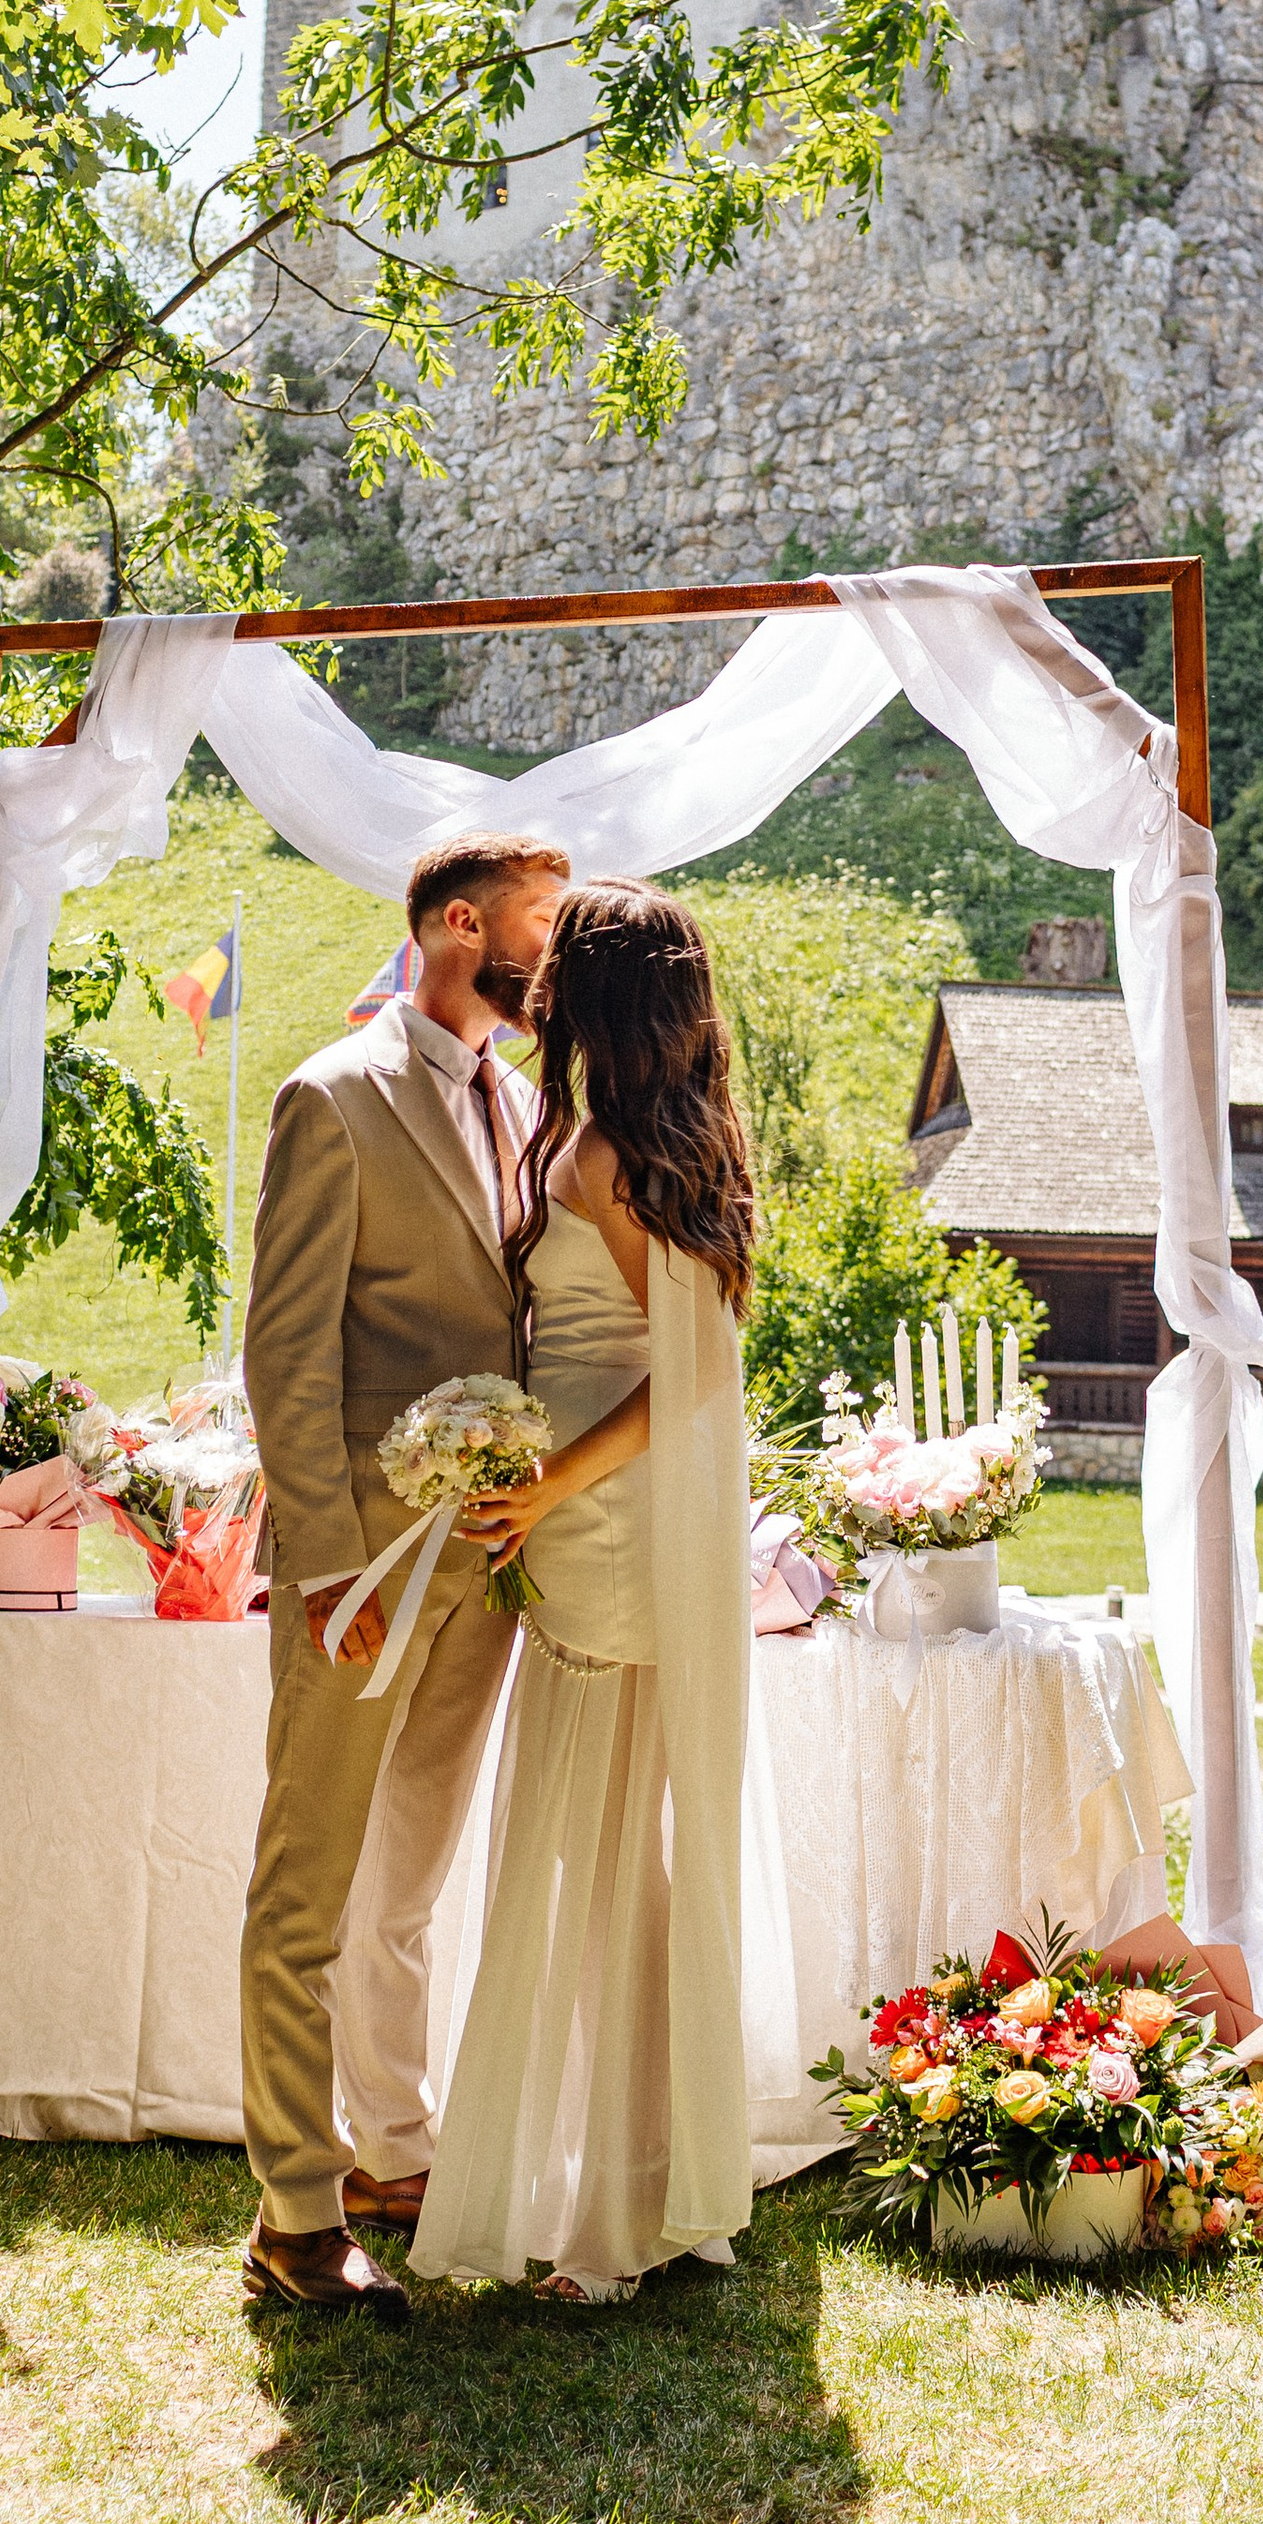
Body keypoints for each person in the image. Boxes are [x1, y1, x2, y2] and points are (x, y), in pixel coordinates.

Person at [238, 829, 570, 2320]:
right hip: (362, 1571)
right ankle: (294, 2215)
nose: (551, 956)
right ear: (456, 923)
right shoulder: (332, 1094)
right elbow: (286, 1358)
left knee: (410, 1889)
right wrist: (325, 1570)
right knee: (306, 1893)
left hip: (483, 1571)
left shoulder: (517, 1099)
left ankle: (396, 2155)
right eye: (537, 927)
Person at [412, 881, 758, 2304]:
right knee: (616, 1862)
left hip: (610, 1530)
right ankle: (654, 2183)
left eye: (553, 966)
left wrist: (547, 1484)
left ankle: (614, 2226)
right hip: (588, 1527)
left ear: (599, 998)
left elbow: (699, 1373)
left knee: (606, 1867)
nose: (528, 976)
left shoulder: (614, 1154)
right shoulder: (621, 1133)